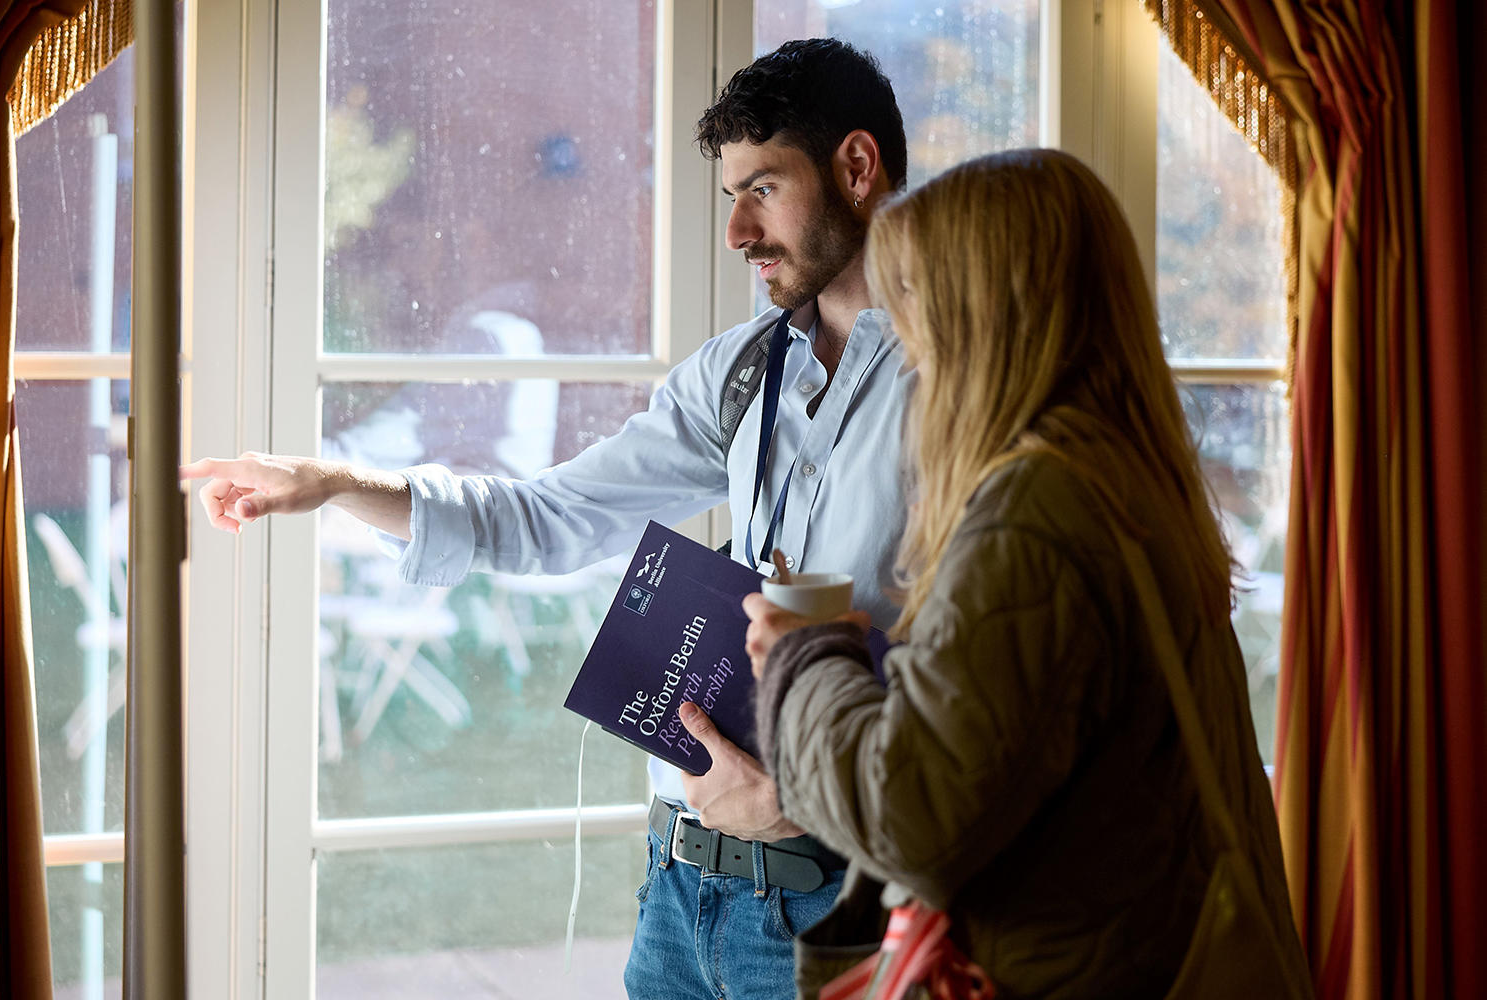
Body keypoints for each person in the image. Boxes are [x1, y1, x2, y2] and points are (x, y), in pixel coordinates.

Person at [182, 38, 914, 1000]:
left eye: (764, 190)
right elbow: (552, 514)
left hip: (834, 910)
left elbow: (992, 673)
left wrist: (809, 798)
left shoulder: (968, 384)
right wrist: (330, 481)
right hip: (676, 894)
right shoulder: (738, 372)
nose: (738, 230)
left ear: (856, 168)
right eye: (730, 195)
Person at [743, 149, 1309, 998]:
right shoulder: (1120, 478)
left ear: (985, 316)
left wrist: (805, 658)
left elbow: (913, 820)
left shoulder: (1032, 512)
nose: (909, 351)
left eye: (919, 303)